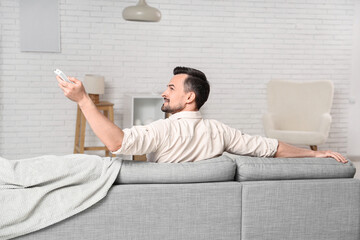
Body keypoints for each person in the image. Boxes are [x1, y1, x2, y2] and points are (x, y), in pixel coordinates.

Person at [57, 66, 348, 163]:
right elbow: (269, 147)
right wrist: (314, 154)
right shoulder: (222, 132)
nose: (163, 92)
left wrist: (83, 100)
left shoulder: (162, 131)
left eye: (171, 87)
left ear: (189, 97)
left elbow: (116, 143)